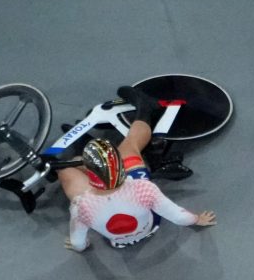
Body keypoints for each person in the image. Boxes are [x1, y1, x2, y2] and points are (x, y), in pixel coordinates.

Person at [59, 86, 216, 251]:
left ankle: (82, 151)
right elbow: (179, 217)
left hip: (113, 234)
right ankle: (144, 110)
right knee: (129, 146)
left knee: (66, 169)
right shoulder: (142, 189)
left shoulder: (81, 207)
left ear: (91, 177)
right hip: (149, 225)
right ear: (120, 169)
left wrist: (81, 246)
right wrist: (198, 219)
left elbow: (77, 243)